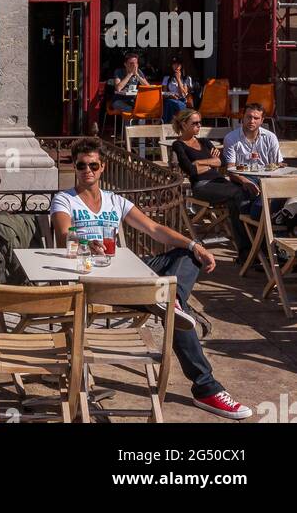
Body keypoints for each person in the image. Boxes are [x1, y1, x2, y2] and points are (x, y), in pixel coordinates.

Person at [51, 137, 252, 419]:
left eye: (93, 165)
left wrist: (195, 245)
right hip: (97, 282)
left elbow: (155, 229)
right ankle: (206, 387)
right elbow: (63, 234)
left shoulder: (115, 201)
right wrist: (86, 243)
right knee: (170, 304)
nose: (88, 170)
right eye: (81, 165)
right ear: (74, 167)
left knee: (187, 256)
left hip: (129, 271)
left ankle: (172, 301)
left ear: (102, 167)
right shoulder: (64, 199)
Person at [171, 108, 254, 265]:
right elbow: (190, 171)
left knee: (240, 198)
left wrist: (200, 162)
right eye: (195, 123)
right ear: (184, 124)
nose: (199, 126)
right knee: (239, 193)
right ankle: (251, 250)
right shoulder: (178, 145)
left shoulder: (204, 142)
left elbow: (221, 161)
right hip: (202, 186)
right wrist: (210, 163)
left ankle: (246, 253)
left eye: (200, 123)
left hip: (219, 183)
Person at [222, 102, 284, 218]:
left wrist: (279, 168)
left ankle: (271, 221)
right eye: (249, 117)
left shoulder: (270, 137)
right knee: (247, 203)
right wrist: (245, 181)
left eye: (256, 118)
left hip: (266, 178)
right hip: (242, 179)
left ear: (262, 120)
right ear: (243, 117)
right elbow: (230, 169)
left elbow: (277, 164)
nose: (252, 121)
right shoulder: (231, 138)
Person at [108, 52, 150, 116]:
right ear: (125, 64)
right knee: (129, 109)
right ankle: (129, 126)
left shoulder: (138, 72)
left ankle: (140, 126)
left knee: (142, 109)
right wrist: (130, 74)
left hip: (132, 100)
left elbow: (148, 87)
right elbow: (118, 88)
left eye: (135, 63)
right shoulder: (119, 72)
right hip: (118, 100)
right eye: (131, 63)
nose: (133, 66)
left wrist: (137, 75)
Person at [161, 56, 195, 123]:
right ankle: (171, 122)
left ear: (181, 66)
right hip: (170, 99)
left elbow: (184, 94)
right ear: (171, 66)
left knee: (175, 104)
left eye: (178, 64)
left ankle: (170, 122)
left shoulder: (186, 78)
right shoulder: (167, 78)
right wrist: (170, 96)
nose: (176, 66)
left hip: (182, 100)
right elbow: (164, 93)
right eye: (174, 64)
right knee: (169, 102)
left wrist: (178, 79)